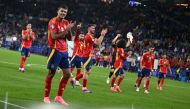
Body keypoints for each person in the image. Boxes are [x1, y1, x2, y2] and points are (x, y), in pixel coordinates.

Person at [43, 5, 75, 106]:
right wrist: (66, 30)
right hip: (55, 50)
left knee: (67, 74)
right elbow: (54, 36)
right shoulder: (53, 22)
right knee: (51, 73)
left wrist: (69, 29)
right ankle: (46, 96)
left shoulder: (66, 22)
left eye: (65, 12)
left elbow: (69, 38)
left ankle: (58, 97)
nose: (63, 13)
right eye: (62, 11)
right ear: (58, 11)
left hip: (64, 51)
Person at [81, 24, 108, 93]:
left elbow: (97, 42)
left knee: (87, 71)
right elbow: (98, 43)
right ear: (88, 28)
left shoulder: (90, 36)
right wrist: (102, 35)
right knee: (86, 72)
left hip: (88, 55)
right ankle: (84, 88)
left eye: (94, 28)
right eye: (92, 28)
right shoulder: (88, 36)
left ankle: (76, 80)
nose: (94, 29)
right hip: (86, 56)